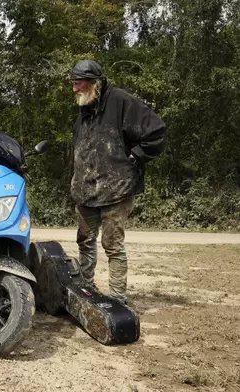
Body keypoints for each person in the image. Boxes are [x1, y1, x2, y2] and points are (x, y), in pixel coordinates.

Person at [69, 59, 167, 304]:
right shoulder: (85, 110)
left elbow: (156, 131)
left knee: (112, 244)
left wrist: (135, 157)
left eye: (78, 82)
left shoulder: (120, 101)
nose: (74, 88)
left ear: (95, 82)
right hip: (86, 189)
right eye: (73, 82)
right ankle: (85, 288)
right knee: (85, 241)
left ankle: (116, 298)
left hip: (116, 189)